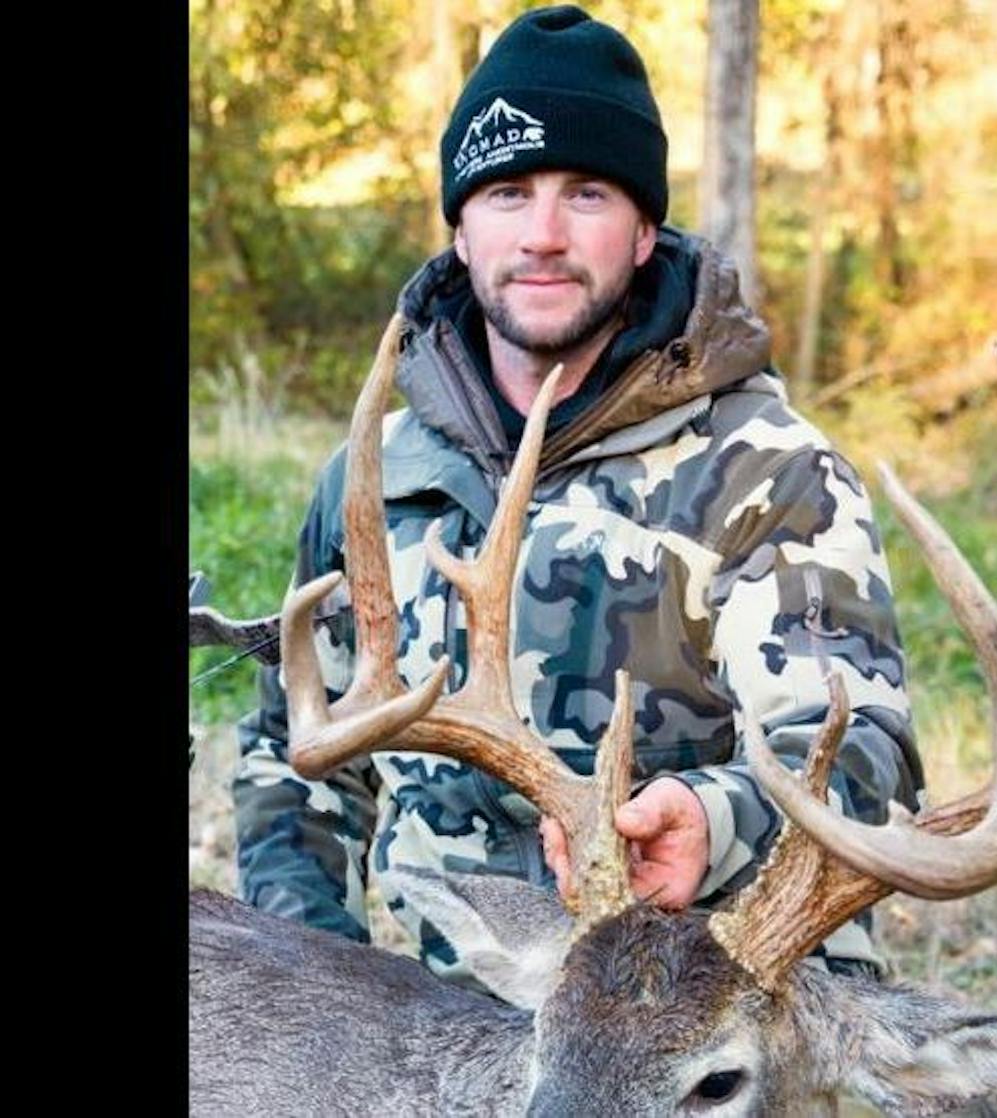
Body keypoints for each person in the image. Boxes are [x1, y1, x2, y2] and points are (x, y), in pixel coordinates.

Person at [234, 3, 924, 990]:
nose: (545, 234)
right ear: (462, 229)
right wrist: (316, 982)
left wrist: (712, 818)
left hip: (709, 1009)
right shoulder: (371, 479)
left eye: (588, 193)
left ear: (645, 229)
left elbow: (863, 759)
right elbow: (289, 752)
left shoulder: (764, 468)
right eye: (507, 192)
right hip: (459, 1020)